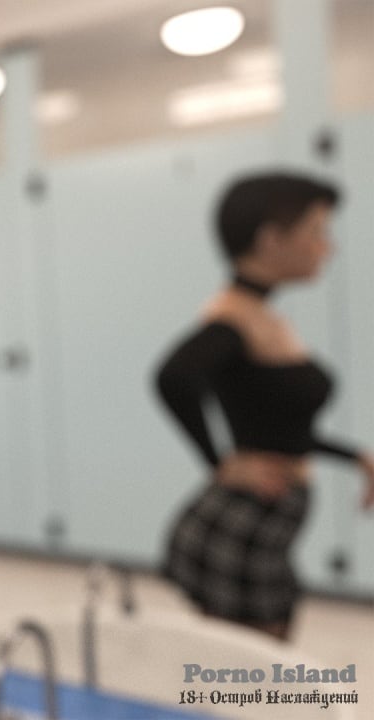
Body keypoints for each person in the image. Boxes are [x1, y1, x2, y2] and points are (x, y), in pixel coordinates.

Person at [154, 171, 374, 641]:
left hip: (266, 521)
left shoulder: (260, 317)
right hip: (244, 522)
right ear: (271, 240)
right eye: (317, 232)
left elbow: (281, 430)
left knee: (259, 658)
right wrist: (221, 464)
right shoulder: (234, 321)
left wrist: (357, 458)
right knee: (252, 666)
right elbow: (173, 377)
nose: (327, 247)